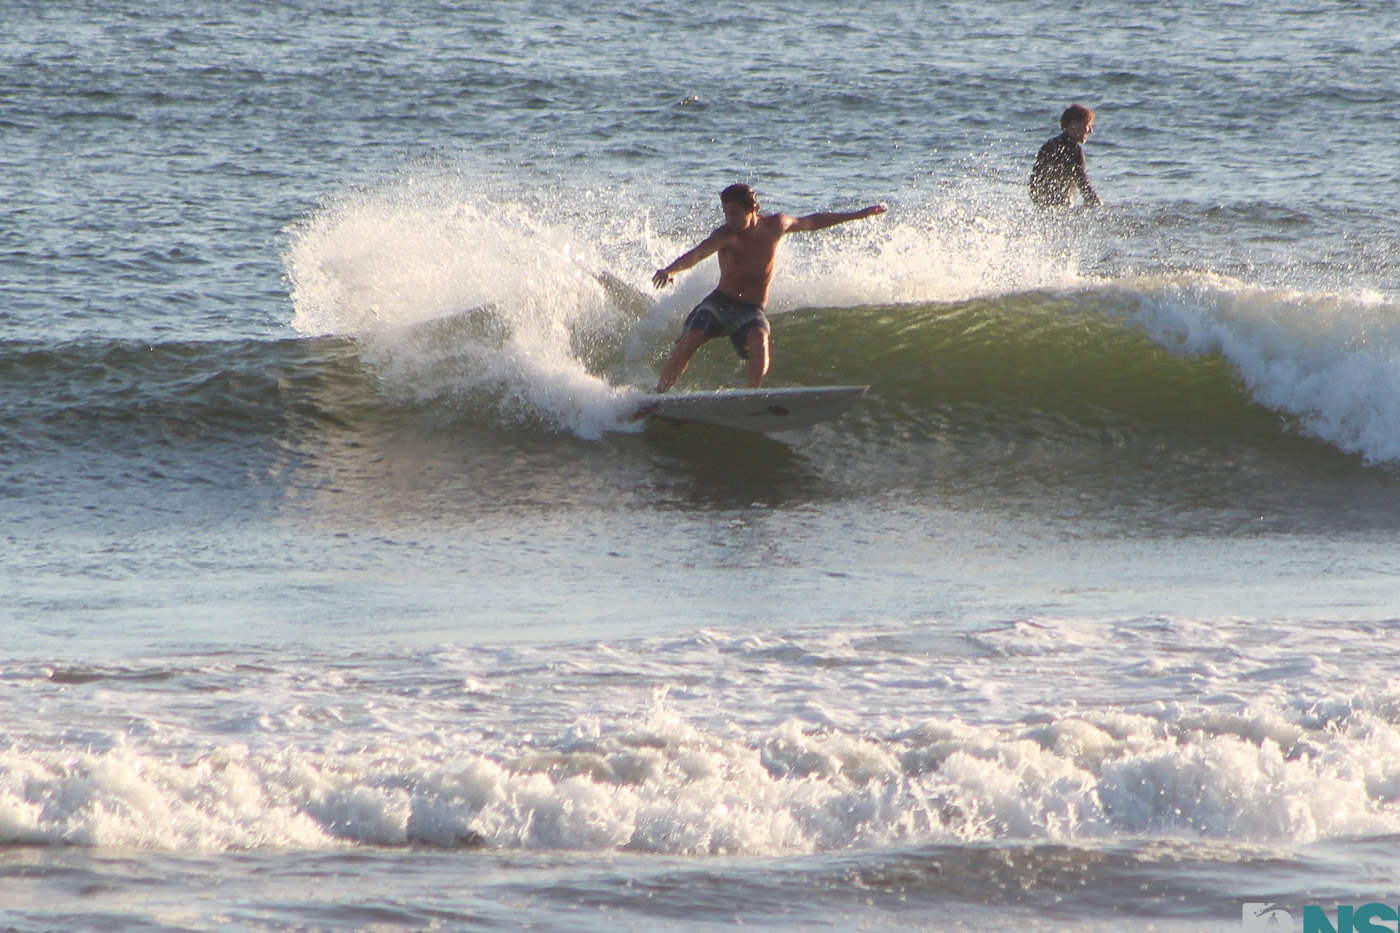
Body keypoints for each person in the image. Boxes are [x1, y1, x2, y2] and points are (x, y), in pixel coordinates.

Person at [650, 183, 886, 392]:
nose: (729, 220)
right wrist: (670, 270)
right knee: (692, 337)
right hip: (720, 303)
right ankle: (660, 393)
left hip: (751, 310)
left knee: (760, 341)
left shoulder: (776, 226)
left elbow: (812, 221)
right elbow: (697, 254)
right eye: (726, 214)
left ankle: (754, 396)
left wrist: (857, 215)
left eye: (735, 213)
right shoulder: (725, 236)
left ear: (753, 210)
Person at [1029, 104, 1102, 209]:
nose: (1090, 131)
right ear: (1074, 124)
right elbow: (1083, 184)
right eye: (1087, 125)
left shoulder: (1048, 146)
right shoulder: (1074, 151)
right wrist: (1097, 205)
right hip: (1063, 210)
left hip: (1042, 208)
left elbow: (1034, 184)